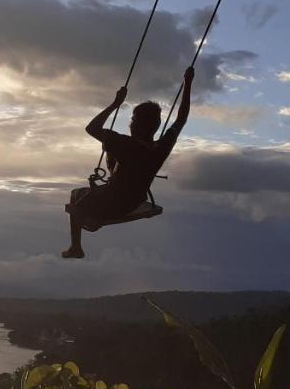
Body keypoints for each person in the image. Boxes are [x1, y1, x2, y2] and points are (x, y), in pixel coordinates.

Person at [62, 66, 194, 259]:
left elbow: (92, 128)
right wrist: (188, 84)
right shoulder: (161, 147)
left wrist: (115, 104)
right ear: (156, 126)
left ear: (137, 124)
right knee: (97, 177)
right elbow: (181, 119)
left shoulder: (126, 145)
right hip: (135, 201)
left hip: (114, 203)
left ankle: (76, 247)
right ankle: (86, 230)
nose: (130, 123)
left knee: (76, 196)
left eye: (132, 120)